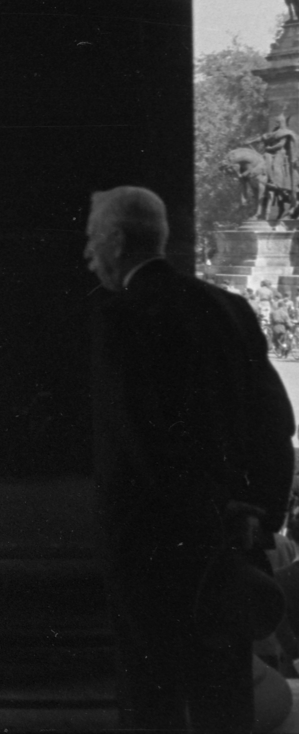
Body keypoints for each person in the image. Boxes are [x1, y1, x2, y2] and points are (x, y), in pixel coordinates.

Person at [86, 186, 296, 729]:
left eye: (92, 239)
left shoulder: (117, 318)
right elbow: (277, 422)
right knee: (225, 694)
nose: (88, 254)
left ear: (114, 240)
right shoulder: (229, 308)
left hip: (148, 550)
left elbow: (139, 441)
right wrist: (256, 513)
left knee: (151, 697)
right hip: (227, 546)